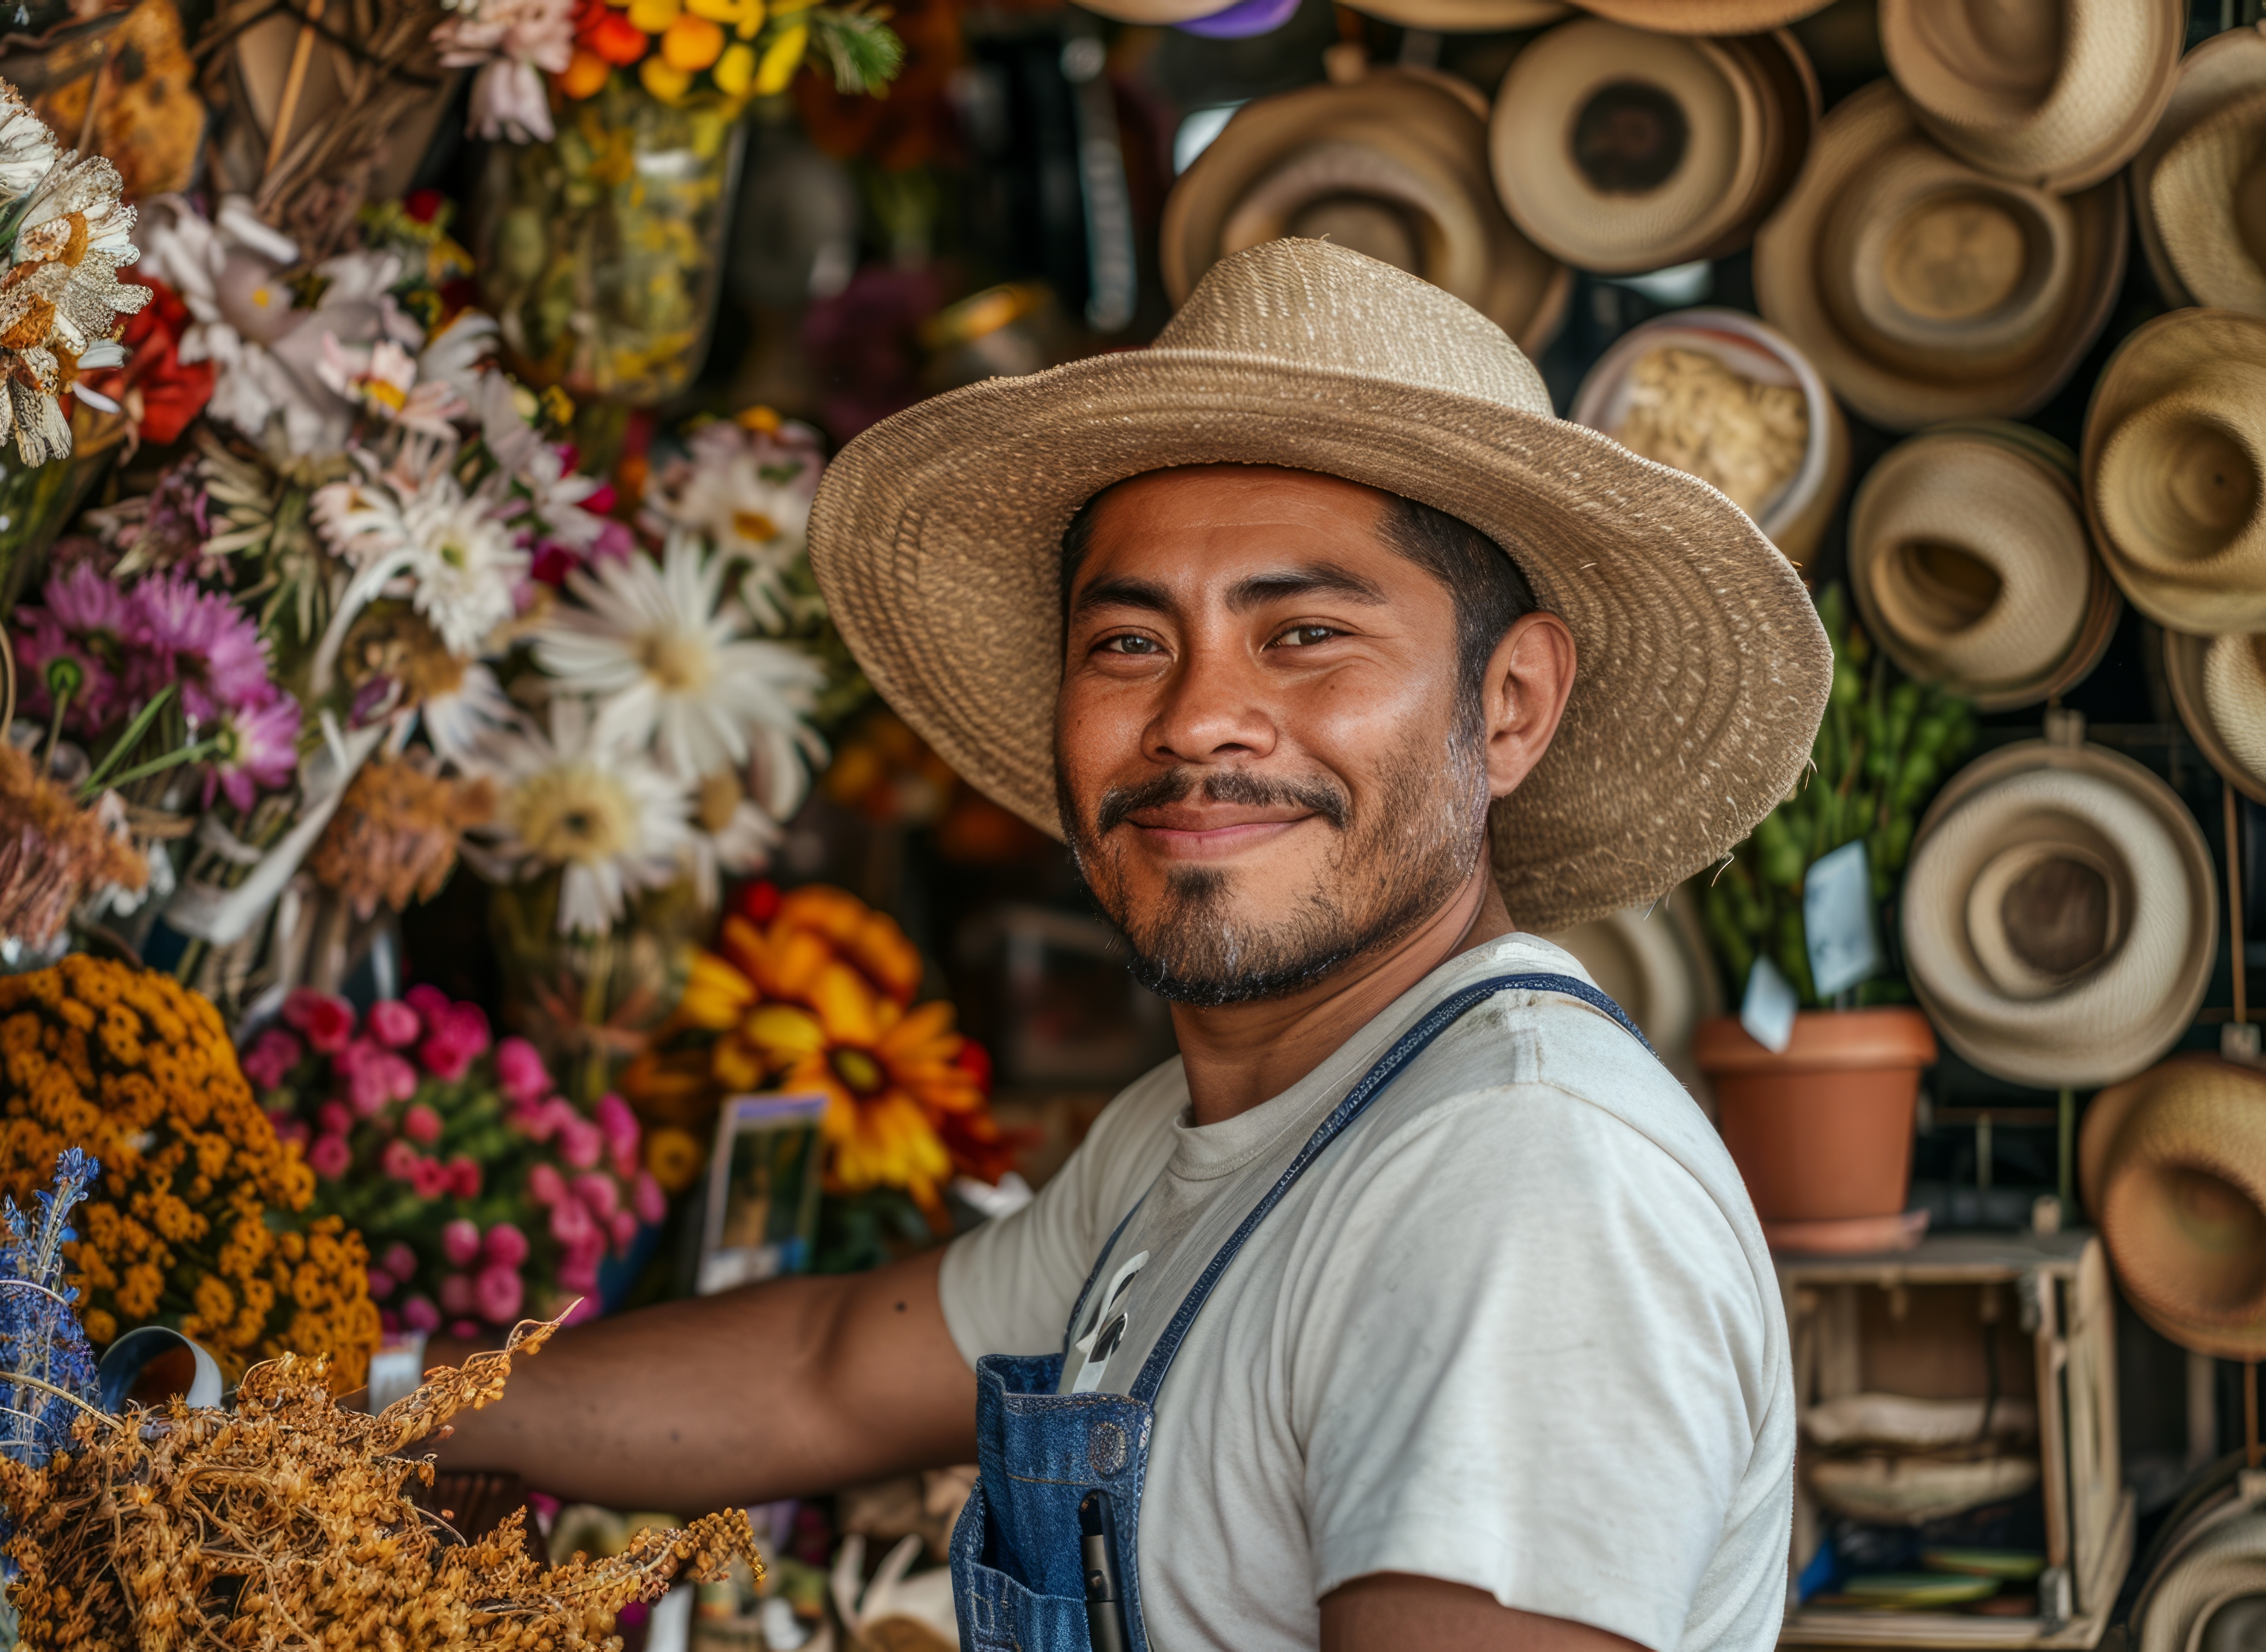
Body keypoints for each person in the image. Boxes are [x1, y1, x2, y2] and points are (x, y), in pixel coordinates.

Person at [435, 240, 1831, 1652]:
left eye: (1305, 634)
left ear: (1512, 705)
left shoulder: (1521, 1179)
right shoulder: (1216, 1131)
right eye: (1127, 645)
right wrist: (346, 1414)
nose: (1197, 720)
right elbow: (821, 1374)